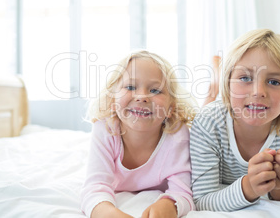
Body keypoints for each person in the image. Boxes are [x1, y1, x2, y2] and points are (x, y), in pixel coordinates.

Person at [190, 29, 280, 212]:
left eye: (274, 82)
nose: (258, 91)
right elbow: (201, 201)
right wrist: (249, 188)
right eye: (245, 78)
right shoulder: (208, 123)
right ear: (228, 84)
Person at [81, 50, 197, 218]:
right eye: (130, 87)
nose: (142, 96)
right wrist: (109, 213)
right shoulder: (105, 129)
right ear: (112, 100)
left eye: (155, 90)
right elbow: (94, 188)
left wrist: (169, 205)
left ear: (170, 108)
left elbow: (184, 191)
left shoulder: (178, 135)